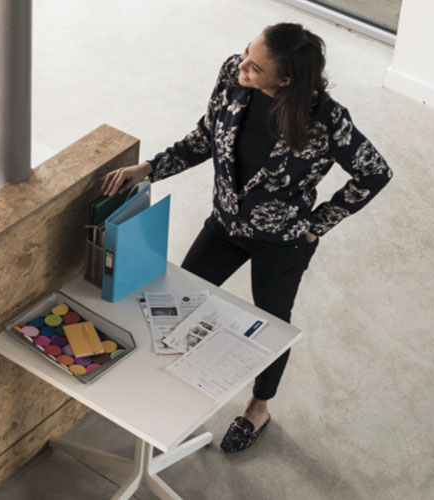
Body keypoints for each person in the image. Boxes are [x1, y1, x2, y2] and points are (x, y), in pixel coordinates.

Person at [102, 23, 392, 452]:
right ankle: (171, 393)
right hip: (224, 226)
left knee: (273, 325)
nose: (242, 68)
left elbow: (375, 172)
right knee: (175, 306)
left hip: (282, 242)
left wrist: (318, 224)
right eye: (245, 55)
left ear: (286, 79)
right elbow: (205, 137)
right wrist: (149, 168)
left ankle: (259, 406)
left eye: (255, 67)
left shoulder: (328, 122)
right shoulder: (232, 77)